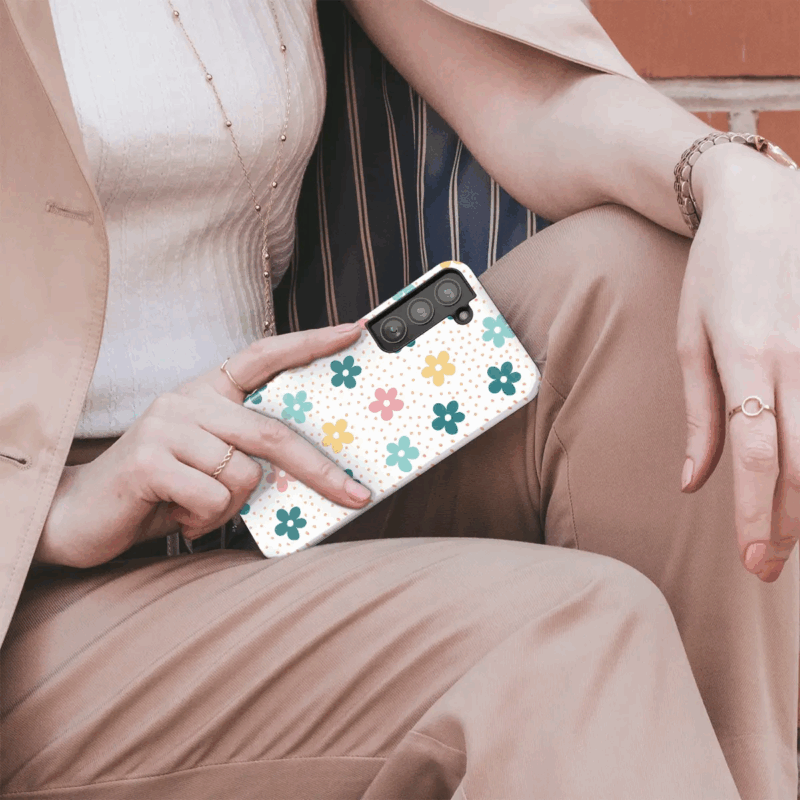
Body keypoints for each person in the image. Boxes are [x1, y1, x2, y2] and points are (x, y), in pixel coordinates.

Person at [1, 0, 798, 798]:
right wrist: (57, 503)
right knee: (571, 633)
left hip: (268, 466)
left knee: (649, 281)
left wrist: (733, 181)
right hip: (39, 594)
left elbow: (536, 98)